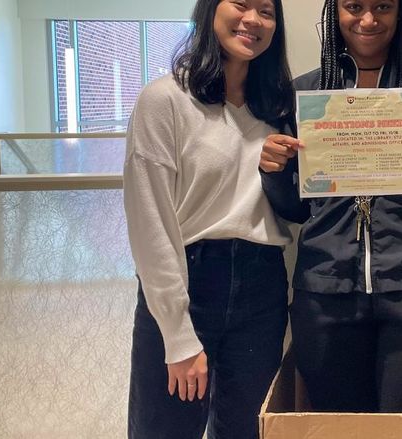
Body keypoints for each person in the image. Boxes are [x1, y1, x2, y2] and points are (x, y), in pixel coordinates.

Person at [259, 0, 402, 414]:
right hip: (326, 293)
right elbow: (297, 211)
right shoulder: (306, 94)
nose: (369, 20)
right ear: (335, 12)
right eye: (355, 6)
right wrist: (272, 171)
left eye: (382, 7)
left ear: (401, 14)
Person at [122, 0, 293, 437]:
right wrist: (178, 334)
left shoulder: (277, 108)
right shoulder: (164, 99)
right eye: (241, 4)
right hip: (190, 281)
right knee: (165, 428)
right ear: (210, 10)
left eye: (267, 12)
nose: (253, 20)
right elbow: (150, 223)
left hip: (262, 286)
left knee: (246, 429)